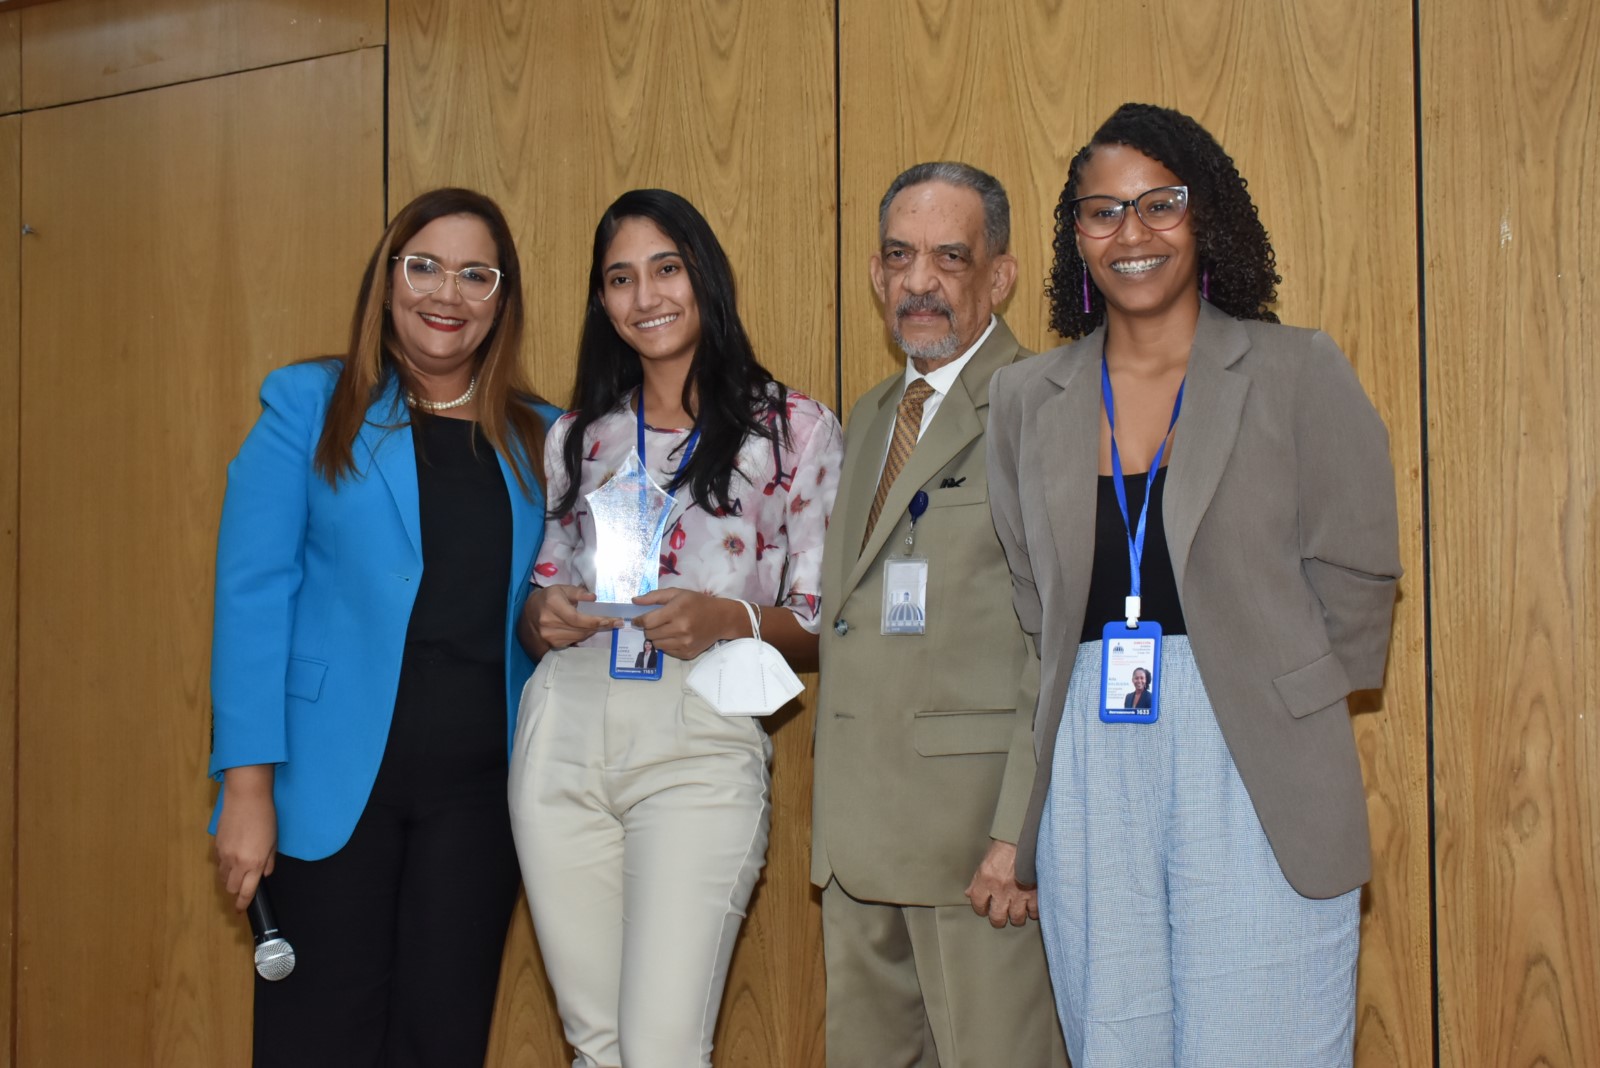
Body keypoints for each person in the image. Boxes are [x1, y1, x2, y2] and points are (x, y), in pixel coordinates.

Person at [986, 103, 1402, 1066]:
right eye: (1102, 212)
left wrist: (1274, 684)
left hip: (1253, 754)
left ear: (1202, 212)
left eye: (1158, 204)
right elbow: (1031, 592)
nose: (1131, 234)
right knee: (1116, 1045)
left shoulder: (1296, 370)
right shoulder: (1024, 400)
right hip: (1091, 762)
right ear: (1075, 236)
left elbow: (1358, 573)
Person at [208, 187, 559, 1065]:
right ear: (388, 279)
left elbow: (544, 600)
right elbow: (252, 597)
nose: (447, 294)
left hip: (480, 803)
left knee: (443, 1040)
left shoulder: (543, 437)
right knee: (317, 1038)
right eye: (425, 266)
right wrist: (247, 787)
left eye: (476, 275)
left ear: (502, 298)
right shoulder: (308, 404)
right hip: (329, 789)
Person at [508, 188, 842, 1068]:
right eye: (620, 279)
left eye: (666, 268)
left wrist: (726, 618)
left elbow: (823, 625)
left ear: (704, 277)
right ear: (602, 301)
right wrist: (540, 618)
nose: (645, 296)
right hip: (565, 732)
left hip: (698, 739)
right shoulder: (578, 436)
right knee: (597, 1046)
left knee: (659, 1050)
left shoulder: (793, 429)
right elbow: (543, 596)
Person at [811, 162, 1066, 1066]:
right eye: (899, 256)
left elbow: (1057, 641)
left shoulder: (1046, 405)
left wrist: (1017, 835)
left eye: (949, 257)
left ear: (997, 276)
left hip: (976, 859)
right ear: (877, 274)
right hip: (857, 848)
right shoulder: (874, 412)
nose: (919, 282)